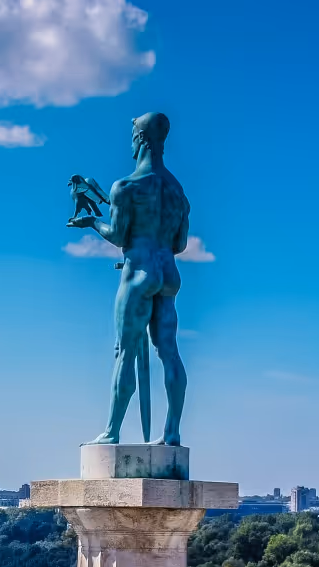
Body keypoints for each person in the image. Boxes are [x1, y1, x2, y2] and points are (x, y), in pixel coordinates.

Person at [70, 112, 190, 446]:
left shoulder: (126, 187)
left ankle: (111, 431)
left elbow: (119, 234)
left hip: (139, 272)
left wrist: (92, 223)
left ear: (139, 139)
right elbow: (179, 244)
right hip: (168, 273)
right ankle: (172, 431)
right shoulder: (178, 193)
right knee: (170, 352)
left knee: (124, 352)